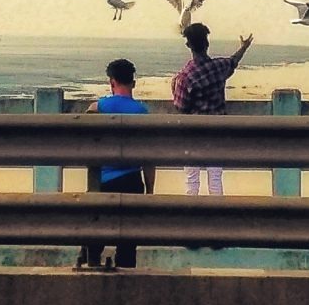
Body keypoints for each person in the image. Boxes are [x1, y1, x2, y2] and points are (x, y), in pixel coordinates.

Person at [77, 59, 150, 270]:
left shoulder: (97, 108)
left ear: (112, 82)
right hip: (132, 182)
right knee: (127, 243)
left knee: (93, 238)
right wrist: (150, 189)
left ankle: (89, 267)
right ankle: (127, 282)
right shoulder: (142, 112)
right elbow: (148, 158)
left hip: (103, 182)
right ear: (133, 83)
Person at [170, 22, 251, 196]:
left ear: (188, 45)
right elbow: (233, 61)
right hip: (216, 132)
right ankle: (217, 217)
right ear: (207, 44)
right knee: (215, 178)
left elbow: (181, 108)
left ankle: (192, 218)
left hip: (193, 134)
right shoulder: (218, 67)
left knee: (191, 180)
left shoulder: (185, 76)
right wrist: (244, 47)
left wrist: (173, 88)